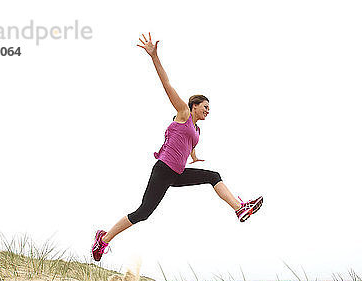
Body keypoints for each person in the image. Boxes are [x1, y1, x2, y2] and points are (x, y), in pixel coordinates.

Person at [91, 32, 263, 262]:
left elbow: (189, 144)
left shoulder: (197, 131)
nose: (208, 111)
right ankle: (103, 239)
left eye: (209, 108)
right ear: (193, 106)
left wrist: (194, 157)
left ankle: (240, 208)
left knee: (213, 176)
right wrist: (154, 57)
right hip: (164, 170)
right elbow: (166, 84)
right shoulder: (183, 114)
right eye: (205, 107)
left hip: (177, 173)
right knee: (143, 213)